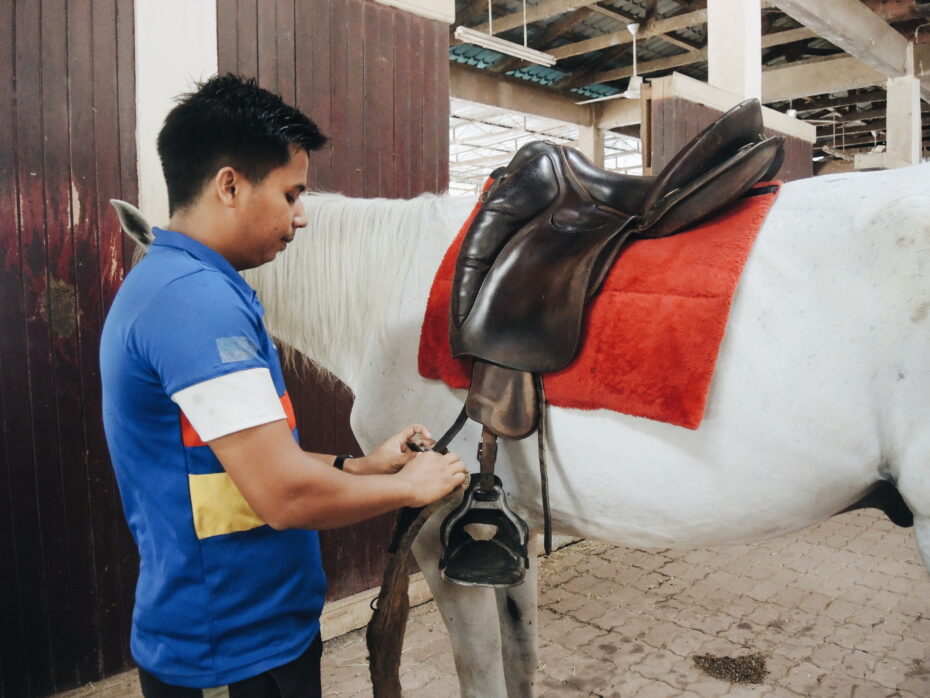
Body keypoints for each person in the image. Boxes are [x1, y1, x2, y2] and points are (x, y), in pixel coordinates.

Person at [100, 74, 466, 697]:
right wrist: (409, 488)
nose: (301, 218)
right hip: (239, 647)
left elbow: (247, 466)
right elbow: (282, 495)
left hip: (227, 630)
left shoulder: (178, 285)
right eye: (292, 193)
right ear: (230, 185)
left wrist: (364, 465)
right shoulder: (198, 305)